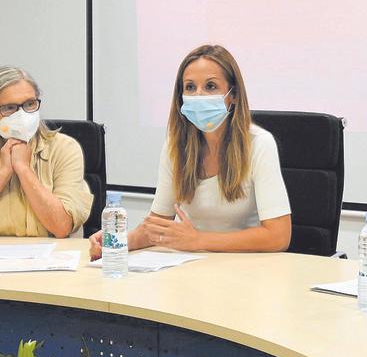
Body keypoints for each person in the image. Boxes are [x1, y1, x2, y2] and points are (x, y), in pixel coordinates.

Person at [90, 45, 291, 257]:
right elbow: (157, 227)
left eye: (211, 86)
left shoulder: (259, 144)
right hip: (192, 267)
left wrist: (199, 240)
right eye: (190, 87)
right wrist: (115, 243)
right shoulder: (176, 147)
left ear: (233, 96)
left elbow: (278, 236)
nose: (199, 95)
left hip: (247, 267)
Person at [0, 66, 93, 237]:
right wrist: (2, 173)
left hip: (50, 256)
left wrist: (24, 169)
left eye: (30, 104)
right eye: (10, 108)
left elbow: (61, 227)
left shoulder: (65, 148)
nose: (23, 115)